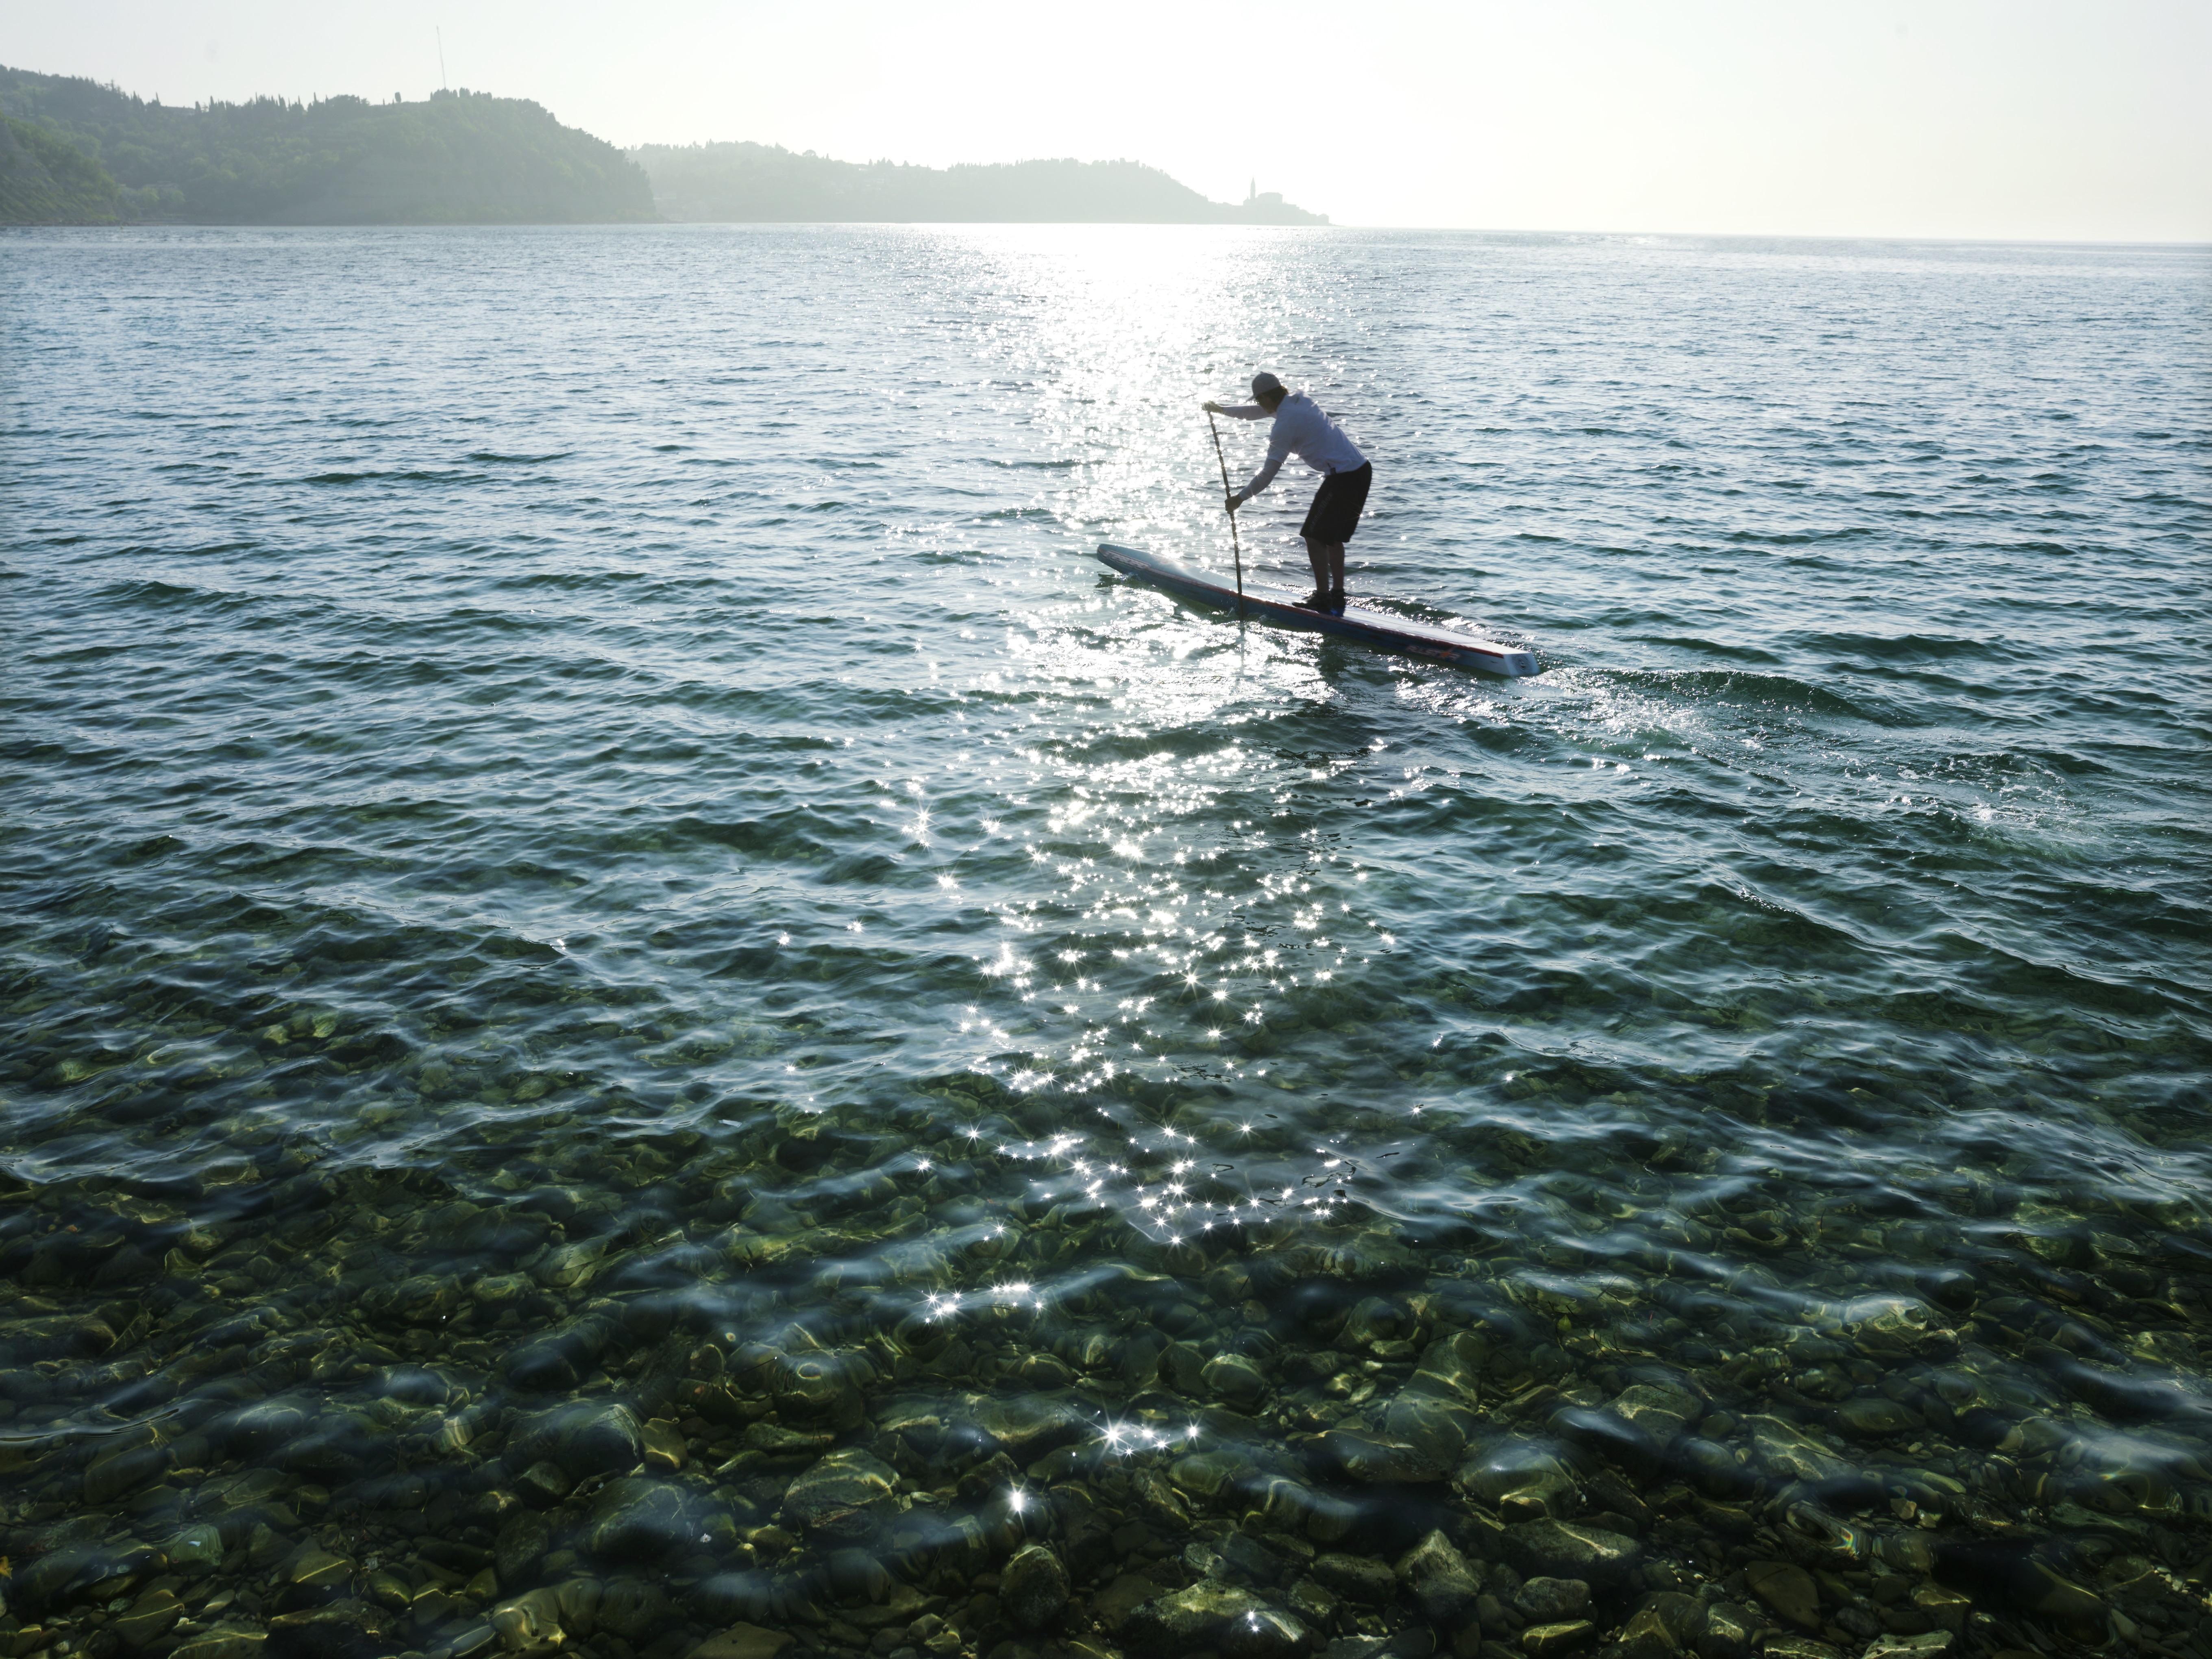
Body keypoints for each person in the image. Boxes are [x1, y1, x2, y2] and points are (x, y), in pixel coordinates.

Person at [1204, 372, 1372, 613]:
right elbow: (1257, 413)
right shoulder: (1298, 400)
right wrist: (1222, 410)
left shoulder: (1284, 426)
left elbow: (1268, 473)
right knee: (1332, 539)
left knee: (1314, 537)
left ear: (1266, 397)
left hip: (1344, 479)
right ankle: (1337, 594)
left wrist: (1239, 499)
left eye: (1259, 400)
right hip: (1361, 470)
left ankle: (1324, 597)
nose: (1259, 405)